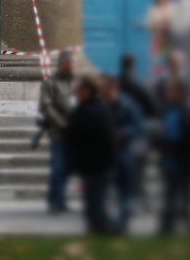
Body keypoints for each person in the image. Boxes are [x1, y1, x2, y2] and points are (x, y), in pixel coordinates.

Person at [64, 73, 118, 235]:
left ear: (87, 91)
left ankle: (110, 228)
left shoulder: (91, 110)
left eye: (78, 89)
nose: (75, 93)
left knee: (95, 203)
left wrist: (68, 128)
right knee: (94, 203)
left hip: (96, 165)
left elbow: (76, 131)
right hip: (95, 164)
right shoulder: (93, 107)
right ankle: (100, 228)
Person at [156, 78, 190, 235]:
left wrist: (179, 147)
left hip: (184, 163)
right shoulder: (166, 110)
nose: (167, 93)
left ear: (180, 92)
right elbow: (162, 132)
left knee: (186, 198)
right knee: (169, 197)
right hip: (168, 162)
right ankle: (167, 227)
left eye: (171, 90)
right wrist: (161, 143)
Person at [99, 74, 144, 234]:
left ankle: (122, 222)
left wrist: (123, 133)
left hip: (124, 153)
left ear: (113, 86)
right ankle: (108, 223)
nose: (101, 89)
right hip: (106, 155)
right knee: (105, 191)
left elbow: (138, 126)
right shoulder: (101, 104)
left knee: (124, 191)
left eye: (104, 86)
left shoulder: (127, 104)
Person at [118, 53, 158, 213]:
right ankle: (139, 202)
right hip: (137, 134)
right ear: (132, 65)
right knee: (138, 171)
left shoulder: (118, 83)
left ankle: (128, 200)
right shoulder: (137, 83)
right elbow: (153, 106)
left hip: (122, 133)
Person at [39, 50, 75, 214]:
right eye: (71, 62)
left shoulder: (75, 83)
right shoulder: (50, 83)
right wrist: (61, 122)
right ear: (63, 63)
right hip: (58, 132)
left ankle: (60, 199)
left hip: (74, 132)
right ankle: (55, 201)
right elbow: (46, 106)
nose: (73, 65)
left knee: (67, 168)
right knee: (58, 167)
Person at [145, 0, 174, 80]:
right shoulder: (152, 9)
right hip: (159, 39)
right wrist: (157, 26)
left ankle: (172, 84)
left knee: (173, 63)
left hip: (172, 39)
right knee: (158, 65)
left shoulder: (173, 7)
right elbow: (148, 25)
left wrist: (170, 26)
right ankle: (157, 84)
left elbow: (179, 22)